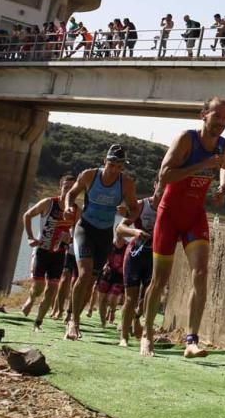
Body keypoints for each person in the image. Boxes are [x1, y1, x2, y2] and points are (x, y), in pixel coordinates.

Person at [139, 99, 225, 359]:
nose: (222, 122)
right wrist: (202, 166)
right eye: (217, 116)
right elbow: (165, 175)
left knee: (201, 273)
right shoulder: (186, 140)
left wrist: (222, 188)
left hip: (194, 215)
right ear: (203, 115)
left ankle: (192, 340)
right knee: (160, 280)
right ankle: (147, 334)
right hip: (169, 215)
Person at [62, 144, 141, 340]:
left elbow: (134, 208)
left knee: (90, 282)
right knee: (84, 274)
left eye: (120, 166)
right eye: (112, 164)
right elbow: (72, 194)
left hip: (105, 234)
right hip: (85, 229)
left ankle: (74, 314)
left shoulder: (126, 183)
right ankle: (73, 321)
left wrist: (127, 215)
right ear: (104, 161)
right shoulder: (90, 175)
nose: (115, 169)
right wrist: (68, 207)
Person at [20, 174, 78, 330]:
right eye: (66, 187)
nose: (68, 190)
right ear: (61, 187)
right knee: (38, 287)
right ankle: (31, 300)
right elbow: (27, 215)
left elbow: (79, 232)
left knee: (51, 289)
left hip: (59, 254)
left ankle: (38, 322)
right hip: (42, 250)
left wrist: (71, 239)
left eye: (72, 188)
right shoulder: (48, 203)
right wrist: (30, 237)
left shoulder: (76, 210)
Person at [117, 183, 162, 347]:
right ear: (155, 185)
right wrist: (135, 232)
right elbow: (120, 228)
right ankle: (123, 337)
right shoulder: (142, 205)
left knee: (147, 299)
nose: (163, 191)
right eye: (161, 186)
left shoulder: (168, 208)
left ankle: (136, 318)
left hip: (154, 256)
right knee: (131, 298)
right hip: (135, 254)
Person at [96, 232, 128, 329]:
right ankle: (103, 322)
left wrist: (124, 268)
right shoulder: (110, 244)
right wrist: (105, 265)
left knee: (113, 297)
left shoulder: (127, 246)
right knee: (102, 299)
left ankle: (112, 311)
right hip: (107, 273)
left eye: (121, 234)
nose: (119, 236)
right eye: (118, 234)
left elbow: (130, 259)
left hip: (119, 275)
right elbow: (103, 256)